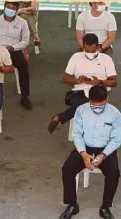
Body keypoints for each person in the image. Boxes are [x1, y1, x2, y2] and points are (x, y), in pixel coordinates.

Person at [60, 85, 121, 219]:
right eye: (94, 105)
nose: (97, 108)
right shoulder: (81, 111)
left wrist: (103, 155)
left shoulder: (115, 114)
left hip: (105, 149)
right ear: (89, 100)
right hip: (84, 148)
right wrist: (83, 154)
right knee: (67, 169)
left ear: (107, 99)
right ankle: (72, 205)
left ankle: (105, 207)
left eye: (101, 105)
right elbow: (76, 134)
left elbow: (117, 139)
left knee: (114, 173)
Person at [48, 33, 117, 134]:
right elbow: (65, 78)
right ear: (83, 47)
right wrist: (77, 80)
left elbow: (114, 82)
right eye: (86, 50)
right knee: (86, 107)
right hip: (79, 92)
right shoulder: (76, 57)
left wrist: (100, 82)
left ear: (98, 47)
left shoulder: (106, 59)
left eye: (92, 51)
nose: (89, 54)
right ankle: (88, 138)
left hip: (98, 91)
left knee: (85, 107)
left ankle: (60, 118)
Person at [0, 1, 32, 110]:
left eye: (13, 8)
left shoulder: (22, 22)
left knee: (23, 65)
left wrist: (13, 47)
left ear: (16, 10)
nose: (10, 9)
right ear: (4, 7)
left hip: (13, 50)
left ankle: (25, 97)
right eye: (8, 7)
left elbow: (25, 41)